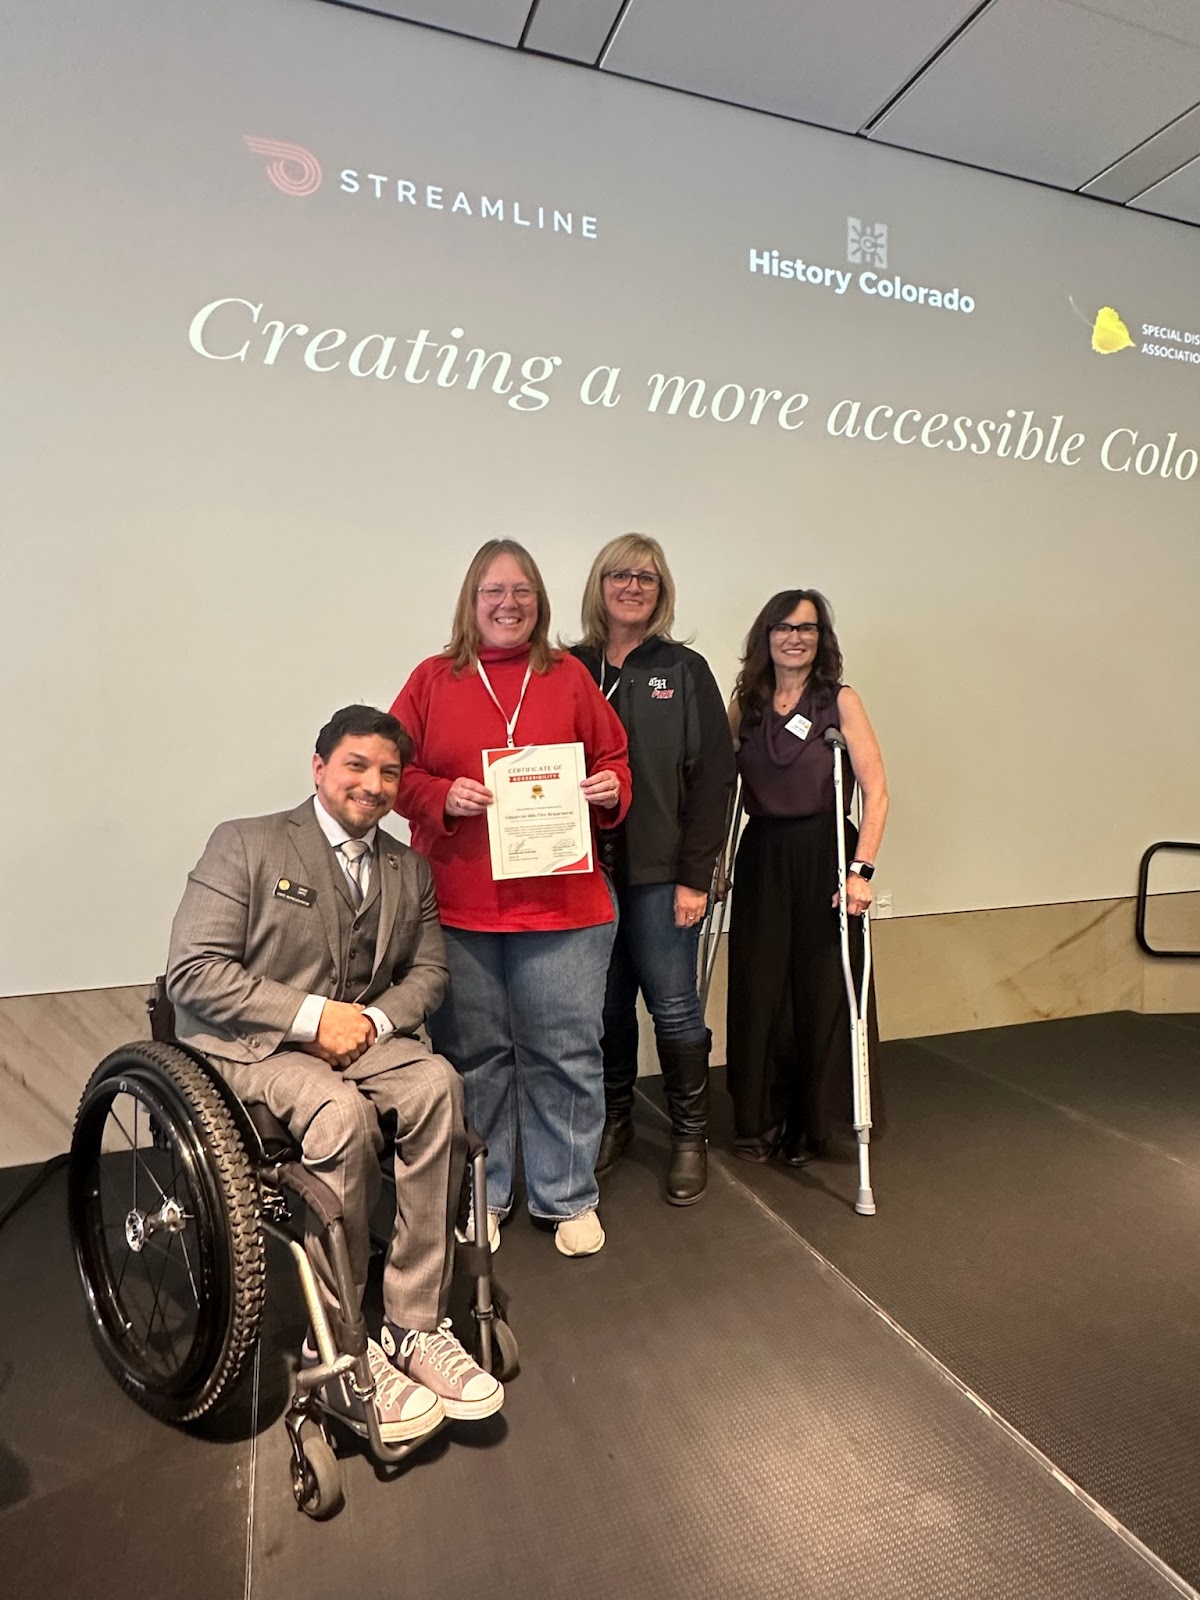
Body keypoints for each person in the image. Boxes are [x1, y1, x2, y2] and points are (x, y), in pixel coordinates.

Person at [166, 705, 503, 1445]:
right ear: (319, 767)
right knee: (340, 1116)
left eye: (388, 772)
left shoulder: (406, 868)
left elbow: (429, 972)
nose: (373, 784)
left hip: (360, 1037)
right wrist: (314, 1019)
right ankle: (345, 1346)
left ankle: (414, 1326)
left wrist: (372, 1024)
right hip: (252, 1045)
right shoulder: (246, 844)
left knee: (438, 1083)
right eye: (356, 765)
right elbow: (193, 973)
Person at [390, 540, 631, 1258]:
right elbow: (392, 770)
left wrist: (612, 789)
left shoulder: (569, 679)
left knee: (565, 1052)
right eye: (493, 591)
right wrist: (440, 794)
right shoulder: (433, 680)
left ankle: (567, 1195)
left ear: (540, 600)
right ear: (471, 601)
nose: (508, 603)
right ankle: (484, 1192)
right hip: (462, 907)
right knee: (476, 1055)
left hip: (564, 909)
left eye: (522, 591)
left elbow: (614, 758)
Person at [571, 534, 736, 1204]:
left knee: (672, 1005)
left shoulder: (685, 669)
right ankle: (617, 1121)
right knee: (606, 1008)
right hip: (583, 875)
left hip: (664, 874)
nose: (632, 586)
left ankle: (689, 1136)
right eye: (620, 574)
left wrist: (697, 876)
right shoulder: (569, 666)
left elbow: (713, 779)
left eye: (646, 576)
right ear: (600, 584)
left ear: (661, 588)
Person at [726, 590, 888, 1163]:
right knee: (761, 984)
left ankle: (815, 1122)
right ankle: (759, 1119)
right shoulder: (745, 704)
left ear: (822, 639)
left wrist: (861, 870)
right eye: (784, 627)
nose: (795, 638)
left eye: (808, 629)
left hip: (826, 847)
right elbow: (724, 787)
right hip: (764, 851)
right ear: (765, 635)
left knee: (820, 988)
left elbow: (876, 790)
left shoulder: (839, 701)